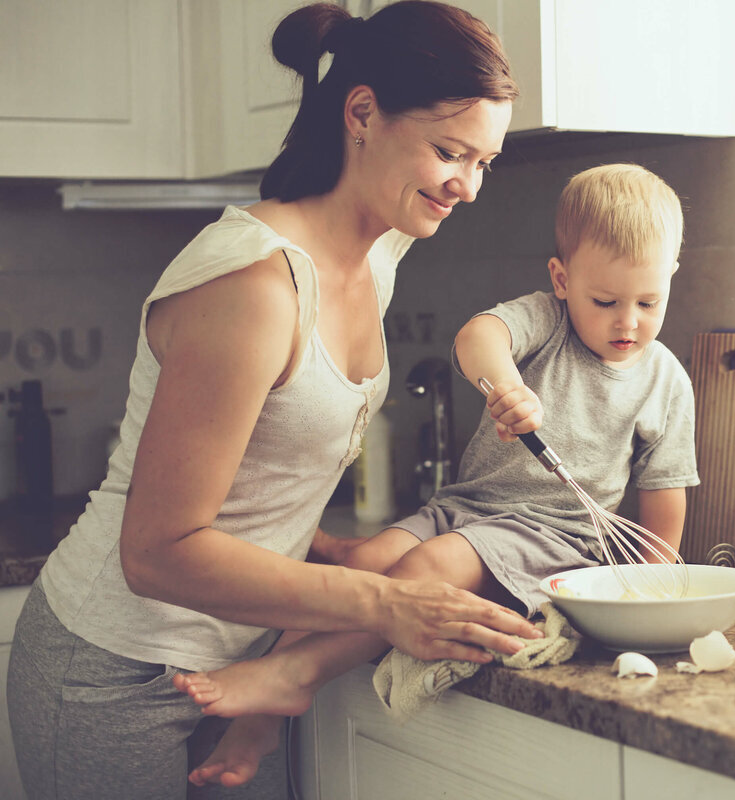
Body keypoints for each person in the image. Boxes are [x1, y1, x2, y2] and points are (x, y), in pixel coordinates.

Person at [5, 3, 543, 798]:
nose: (467, 186)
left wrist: (325, 549)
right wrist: (384, 602)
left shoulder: (382, 246)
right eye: (448, 152)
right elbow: (155, 549)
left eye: (485, 161)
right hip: (112, 671)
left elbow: (259, 467)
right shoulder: (256, 284)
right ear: (361, 113)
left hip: (245, 661)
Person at [170, 162, 700, 770]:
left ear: (671, 281)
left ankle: (296, 673)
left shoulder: (667, 383)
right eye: (604, 300)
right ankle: (261, 720)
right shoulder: (546, 323)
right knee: (365, 568)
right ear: (561, 278)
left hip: (556, 538)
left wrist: (653, 603)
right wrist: (504, 385)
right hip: (466, 507)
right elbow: (478, 336)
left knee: (426, 568)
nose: (627, 321)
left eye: (648, 301)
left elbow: (663, 515)